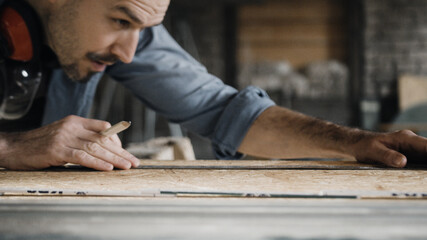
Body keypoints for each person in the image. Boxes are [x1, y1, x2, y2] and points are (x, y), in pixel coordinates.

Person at [0, 0, 425, 171]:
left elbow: (227, 112)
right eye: (120, 20)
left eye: (145, 27)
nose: (130, 52)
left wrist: (358, 143)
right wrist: (13, 147)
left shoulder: (135, 31)